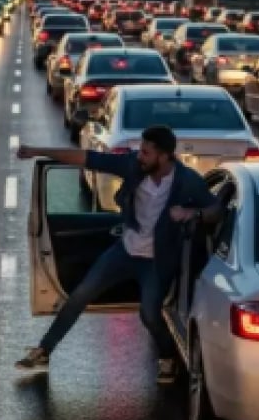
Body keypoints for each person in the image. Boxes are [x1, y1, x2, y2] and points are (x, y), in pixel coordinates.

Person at [14, 126, 221, 383]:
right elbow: (88, 158)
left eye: (146, 152)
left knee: (149, 314)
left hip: (156, 262)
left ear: (165, 156)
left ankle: (168, 358)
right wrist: (37, 151)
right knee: (80, 293)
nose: (139, 156)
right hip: (124, 251)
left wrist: (193, 214)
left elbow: (216, 209)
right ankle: (44, 350)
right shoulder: (133, 166)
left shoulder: (187, 181)